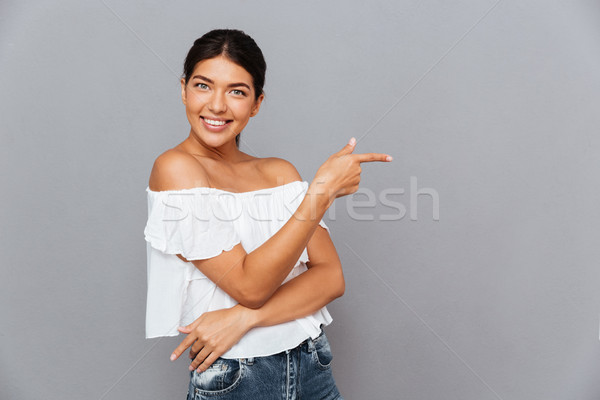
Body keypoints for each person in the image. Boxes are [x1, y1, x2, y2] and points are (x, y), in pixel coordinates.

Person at [143, 29, 392, 400]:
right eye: (203, 85)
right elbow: (250, 286)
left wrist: (244, 318)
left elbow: (330, 279)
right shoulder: (176, 168)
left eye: (237, 91)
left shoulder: (279, 172)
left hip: (312, 365)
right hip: (236, 378)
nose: (216, 105)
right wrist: (320, 194)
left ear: (257, 103)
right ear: (183, 89)